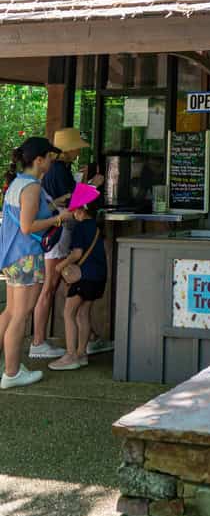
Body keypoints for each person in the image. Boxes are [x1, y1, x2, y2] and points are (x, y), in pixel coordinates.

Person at [0, 138, 74, 389]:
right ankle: (11, 373)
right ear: (39, 160)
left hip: (12, 255)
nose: (53, 162)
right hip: (27, 257)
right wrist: (58, 219)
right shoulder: (31, 187)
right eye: (50, 158)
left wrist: (56, 205)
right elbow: (27, 226)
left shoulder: (18, 183)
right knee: (20, 315)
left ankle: (10, 367)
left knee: (10, 312)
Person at [30, 127, 104, 360]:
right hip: (59, 232)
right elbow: (74, 204)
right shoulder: (59, 170)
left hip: (60, 231)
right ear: (68, 149)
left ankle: (87, 337)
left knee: (63, 285)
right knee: (51, 285)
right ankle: (39, 341)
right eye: (76, 148)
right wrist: (93, 185)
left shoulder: (57, 170)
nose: (77, 153)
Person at [48, 195, 107, 372]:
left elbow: (77, 253)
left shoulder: (80, 227)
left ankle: (71, 355)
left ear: (82, 210)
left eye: (74, 210)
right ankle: (82, 354)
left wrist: (61, 265)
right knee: (83, 314)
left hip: (84, 277)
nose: (73, 214)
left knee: (68, 313)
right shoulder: (96, 226)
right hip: (98, 277)